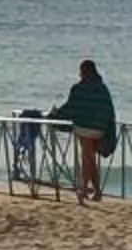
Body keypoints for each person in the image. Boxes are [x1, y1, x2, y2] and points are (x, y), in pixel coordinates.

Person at [47, 59, 117, 201]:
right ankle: (96, 191)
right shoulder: (102, 88)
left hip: (84, 128)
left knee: (86, 158)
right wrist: (107, 125)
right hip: (100, 128)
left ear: (83, 72)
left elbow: (71, 107)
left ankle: (85, 189)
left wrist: (54, 115)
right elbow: (109, 109)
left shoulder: (78, 88)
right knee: (89, 158)